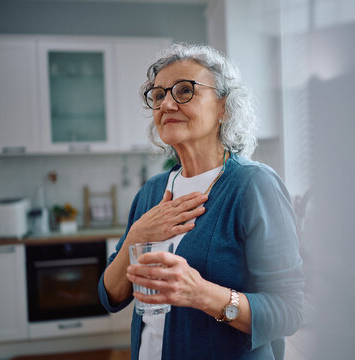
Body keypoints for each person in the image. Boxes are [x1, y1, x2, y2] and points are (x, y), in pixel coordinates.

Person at [98, 43, 305, 360]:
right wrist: (137, 237)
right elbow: (110, 295)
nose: (166, 103)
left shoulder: (253, 185)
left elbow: (290, 309)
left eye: (184, 90)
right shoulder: (152, 192)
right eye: (158, 95)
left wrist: (200, 293)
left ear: (224, 107)